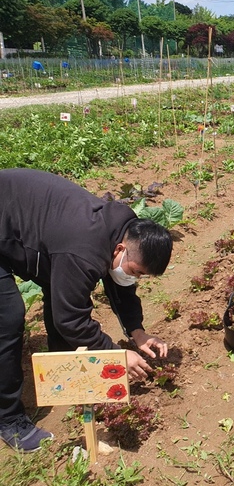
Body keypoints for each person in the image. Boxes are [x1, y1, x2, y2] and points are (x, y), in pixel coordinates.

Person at [0, 168, 173, 452]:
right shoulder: (84, 250)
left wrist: (137, 333)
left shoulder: (123, 231)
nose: (136, 278)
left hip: (23, 221)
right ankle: (8, 419)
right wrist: (115, 355)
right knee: (7, 316)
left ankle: (60, 368)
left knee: (60, 289)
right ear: (120, 249)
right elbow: (70, 318)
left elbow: (121, 288)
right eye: (136, 271)